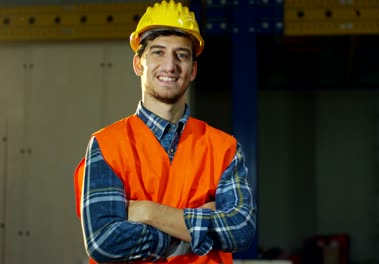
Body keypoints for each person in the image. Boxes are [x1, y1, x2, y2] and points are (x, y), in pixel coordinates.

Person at [73, 0, 257, 263]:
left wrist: (147, 212)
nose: (170, 66)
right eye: (158, 52)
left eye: (181, 55)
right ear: (139, 64)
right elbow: (103, 241)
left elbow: (240, 230)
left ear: (192, 70)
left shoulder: (223, 148)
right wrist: (190, 230)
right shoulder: (107, 145)